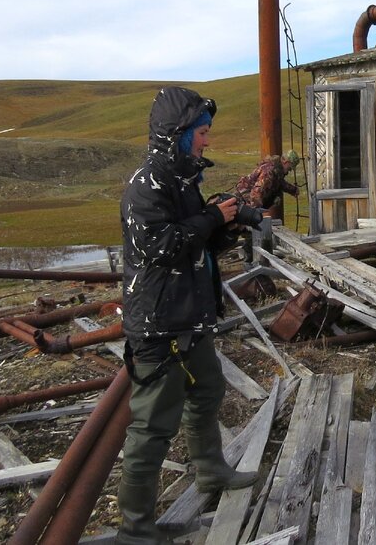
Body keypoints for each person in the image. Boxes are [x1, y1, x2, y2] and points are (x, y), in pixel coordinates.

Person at [116, 86, 255, 544]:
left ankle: (211, 471)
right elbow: (161, 247)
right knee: (153, 428)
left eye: (207, 132)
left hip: (190, 318)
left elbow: (194, 244)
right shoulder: (146, 186)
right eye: (201, 132)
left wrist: (222, 228)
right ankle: (136, 531)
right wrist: (212, 219)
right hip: (158, 325)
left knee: (208, 390)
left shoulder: (182, 182)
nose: (206, 141)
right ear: (176, 134)